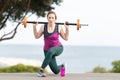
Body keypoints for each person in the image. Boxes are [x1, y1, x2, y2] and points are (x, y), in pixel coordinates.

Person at [33, 11, 69, 77]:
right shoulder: (43, 27)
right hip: (47, 50)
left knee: (51, 51)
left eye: (53, 18)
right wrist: (34, 27)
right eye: (49, 18)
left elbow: (66, 38)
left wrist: (67, 28)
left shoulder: (58, 27)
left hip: (58, 48)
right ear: (47, 18)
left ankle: (41, 71)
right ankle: (62, 66)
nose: (51, 19)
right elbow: (36, 36)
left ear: (55, 19)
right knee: (56, 71)